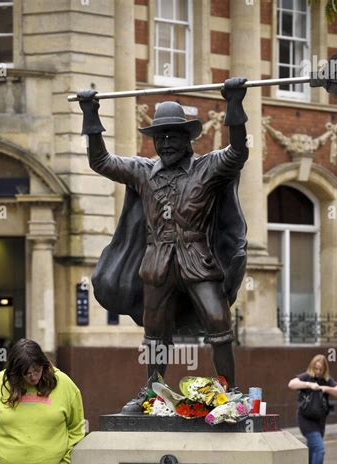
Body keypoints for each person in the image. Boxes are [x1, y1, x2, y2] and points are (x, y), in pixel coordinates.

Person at [77, 77, 249, 409]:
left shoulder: (206, 168)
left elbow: (238, 151)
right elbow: (100, 162)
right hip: (157, 265)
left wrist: (234, 103)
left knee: (218, 323)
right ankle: (153, 393)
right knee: (155, 334)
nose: (166, 143)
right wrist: (91, 113)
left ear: (188, 139)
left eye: (173, 136)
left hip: (197, 260)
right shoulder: (142, 171)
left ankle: (229, 391)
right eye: (160, 138)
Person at [288, 354, 337, 464]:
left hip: (320, 421)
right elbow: (291, 384)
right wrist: (309, 385)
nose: (318, 372)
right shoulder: (307, 377)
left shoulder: (326, 380)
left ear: (324, 369)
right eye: (316, 368)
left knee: (312, 451)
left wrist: (325, 388)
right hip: (305, 419)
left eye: (321, 369)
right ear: (312, 367)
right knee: (319, 448)